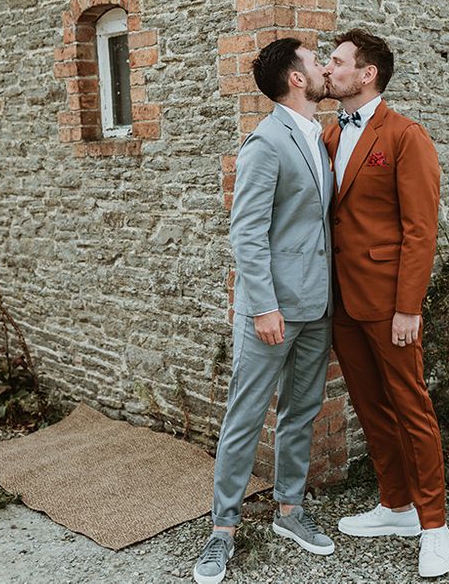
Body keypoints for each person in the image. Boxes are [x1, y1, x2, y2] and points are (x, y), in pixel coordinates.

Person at [193, 38, 334, 584]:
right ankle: (221, 530)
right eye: (315, 61)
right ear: (296, 79)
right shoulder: (266, 142)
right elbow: (246, 232)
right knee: (246, 415)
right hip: (270, 313)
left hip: (319, 305)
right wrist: (264, 307)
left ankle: (290, 511)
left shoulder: (319, 138)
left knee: (302, 409)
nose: (324, 68)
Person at [322, 28, 449, 578]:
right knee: (370, 406)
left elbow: (420, 230)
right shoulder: (330, 135)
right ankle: (395, 505)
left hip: (388, 302)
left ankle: (435, 526)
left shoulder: (405, 135)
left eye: (337, 62)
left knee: (411, 407)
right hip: (342, 301)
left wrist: (409, 307)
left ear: (366, 72)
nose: (328, 70)